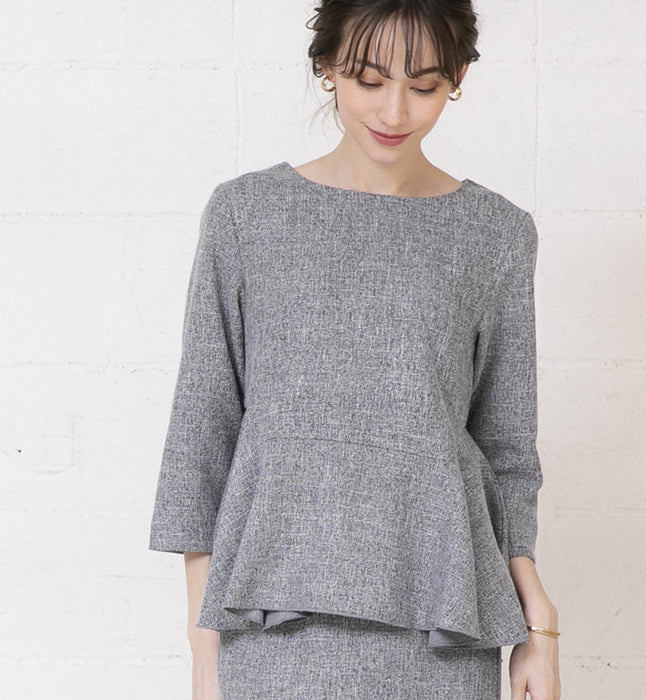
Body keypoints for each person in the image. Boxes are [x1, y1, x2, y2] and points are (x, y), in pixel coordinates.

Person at [149, 1, 561, 698]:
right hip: (267, 620)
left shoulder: (495, 233)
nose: (394, 111)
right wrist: (203, 644)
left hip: (441, 623)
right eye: (369, 80)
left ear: (458, 79)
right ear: (327, 67)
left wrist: (537, 626)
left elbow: (506, 450)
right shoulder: (246, 215)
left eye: (424, 85)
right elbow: (202, 434)